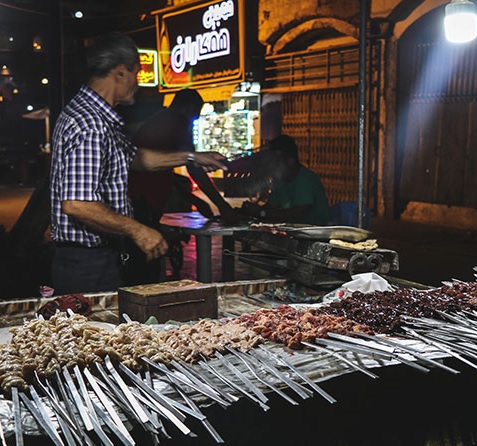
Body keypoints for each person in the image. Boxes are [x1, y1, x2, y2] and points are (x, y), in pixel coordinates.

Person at [49, 32, 227, 295]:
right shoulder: (92, 124)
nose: (138, 82)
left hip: (94, 257)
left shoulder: (99, 117)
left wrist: (192, 157)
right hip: (87, 263)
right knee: (96, 333)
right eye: (137, 73)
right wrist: (139, 231)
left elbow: (135, 158)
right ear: (120, 73)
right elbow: (77, 204)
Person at [127, 88, 240, 285]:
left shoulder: (163, 119)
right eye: (196, 111)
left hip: (142, 198)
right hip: (140, 199)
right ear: (188, 107)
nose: (195, 117)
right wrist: (223, 207)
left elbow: (168, 173)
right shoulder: (176, 122)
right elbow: (194, 169)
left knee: (145, 264)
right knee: (146, 266)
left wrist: (194, 199)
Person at [242, 134, 330, 225]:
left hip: (314, 232)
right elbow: (271, 208)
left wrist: (260, 212)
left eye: (275, 161)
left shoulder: (305, 179)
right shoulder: (280, 181)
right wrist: (250, 210)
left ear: (289, 161)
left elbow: (296, 216)